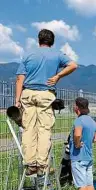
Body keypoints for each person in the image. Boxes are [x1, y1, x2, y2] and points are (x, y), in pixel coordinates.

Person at [15, 29, 77, 176]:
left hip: (28, 94)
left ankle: (30, 164)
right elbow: (73, 65)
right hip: (46, 94)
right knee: (44, 129)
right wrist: (58, 76)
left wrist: (17, 100)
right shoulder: (57, 54)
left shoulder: (29, 54)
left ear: (39, 40)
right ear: (52, 41)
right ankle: (42, 166)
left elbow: (19, 78)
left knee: (28, 129)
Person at [69, 98, 96, 190]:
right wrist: (87, 142)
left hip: (78, 157)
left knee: (81, 186)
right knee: (89, 184)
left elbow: (77, 134)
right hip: (88, 157)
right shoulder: (91, 121)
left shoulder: (79, 120)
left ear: (77, 108)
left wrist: (77, 144)